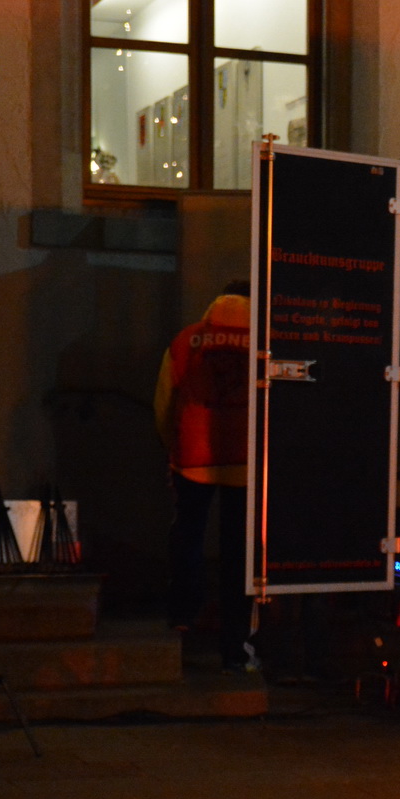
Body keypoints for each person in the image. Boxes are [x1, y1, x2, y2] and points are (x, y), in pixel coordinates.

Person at [154, 287, 255, 673]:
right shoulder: (264, 339)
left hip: (193, 458)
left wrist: (173, 445)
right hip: (246, 462)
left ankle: (182, 619)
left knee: (188, 538)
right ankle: (234, 643)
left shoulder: (187, 339)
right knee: (238, 554)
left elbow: (165, 399)